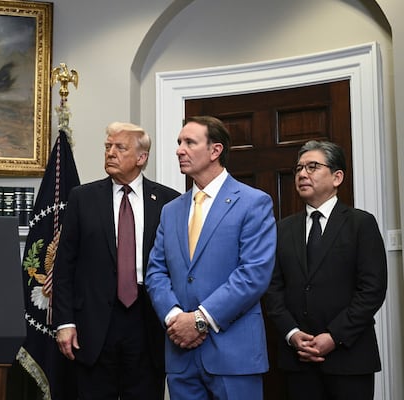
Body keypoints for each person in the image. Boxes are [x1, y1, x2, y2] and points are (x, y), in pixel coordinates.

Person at [145, 116, 276, 400]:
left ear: (215, 151)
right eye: (179, 143)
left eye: (189, 142)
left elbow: (253, 274)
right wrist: (175, 317)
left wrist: (200, 320)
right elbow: (155, 272)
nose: (180, 149)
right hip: (180, 355)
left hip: (234, 356)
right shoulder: (171, 210)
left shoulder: (254, 202)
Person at [52, 122, 180, 400]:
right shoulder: (82, 198)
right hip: (94, 323)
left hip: (147, 322)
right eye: (107, 146)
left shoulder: (169, 201)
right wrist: (65, 322)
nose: (110, 153)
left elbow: (177, 267)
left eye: (120, 147)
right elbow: (64, 266)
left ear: (141, 158)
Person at [264, 140, 387, 400]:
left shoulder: (360, 224)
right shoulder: (282, 229)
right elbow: (272, 289)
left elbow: (372, 290)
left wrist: (333, 336)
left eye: (312, 167)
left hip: (349, 357)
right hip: (298, 359)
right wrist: (292, 333)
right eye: (298, 169)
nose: (302, 174)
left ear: (337, 177)